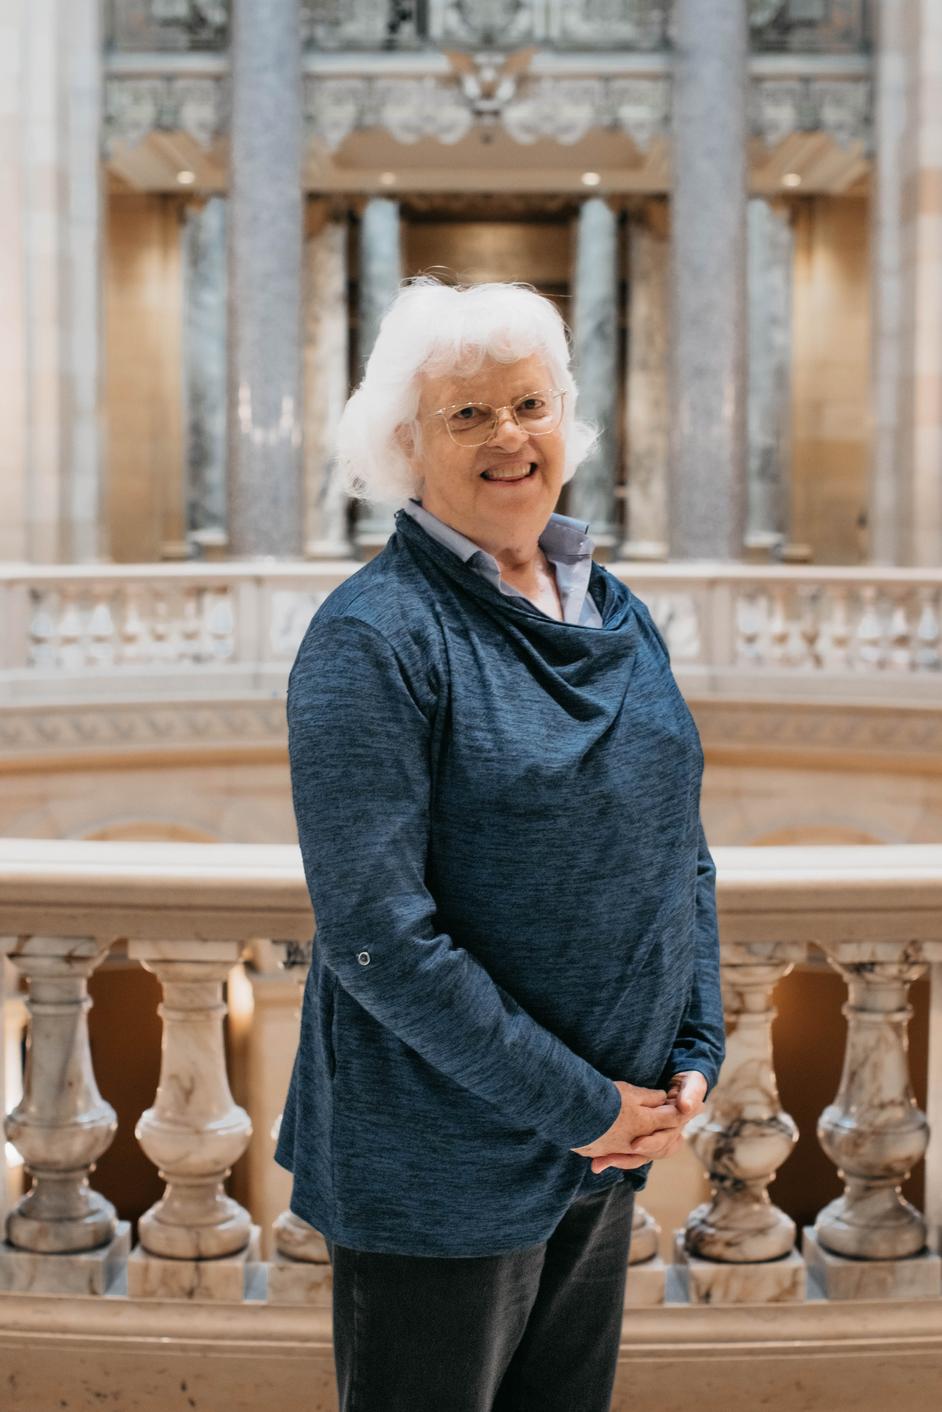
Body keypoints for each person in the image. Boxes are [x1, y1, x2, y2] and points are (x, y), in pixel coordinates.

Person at [274, 277, 726, 1412]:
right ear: (404, 445)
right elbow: (380, 938)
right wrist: (586, 1104)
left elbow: (681, 844)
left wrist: (694, 1041)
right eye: (467, 414)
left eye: (529, 403)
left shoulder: (611, 605)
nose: (508, 435)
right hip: (441, 1164)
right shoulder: (372, 639)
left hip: (606, 1146)